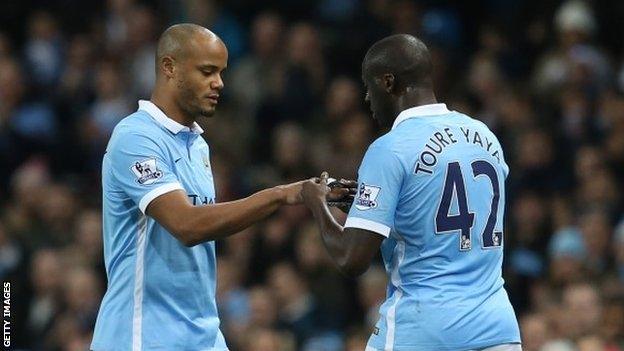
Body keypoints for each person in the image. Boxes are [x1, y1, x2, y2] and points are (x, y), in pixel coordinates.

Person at [91, 24, 350, 351]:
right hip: (142, 335)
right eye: (207, 71)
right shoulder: (136, 137)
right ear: (169, 67)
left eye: (221, 72)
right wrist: (283, 194)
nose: (219, 83)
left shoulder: (198, 145)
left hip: (202, 334)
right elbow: (187, 225)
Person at [301, 34, 522, 351]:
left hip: (424, 328)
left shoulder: (389, 148)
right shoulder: (484, 135)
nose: (367, 98)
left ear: (388, 82)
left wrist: (316, 204)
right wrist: (370, 212)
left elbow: (351, 258)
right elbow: (454, 217)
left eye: (369, 86)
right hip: (496, 326)